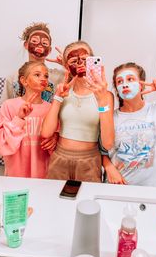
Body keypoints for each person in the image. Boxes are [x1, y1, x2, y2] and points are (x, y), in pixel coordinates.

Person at [41, 40, 114, 182]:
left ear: (93, 61)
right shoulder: (63, 90)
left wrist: (102, 101)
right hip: (59, 159)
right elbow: (46, 133)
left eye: (85, 59)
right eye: (74, 60)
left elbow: (108, 143)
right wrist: (57, 97)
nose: (80, 63)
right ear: (67, 66)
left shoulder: (105, 95)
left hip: (89, 162)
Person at [0, 61, 57, 178]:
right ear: (24, 80)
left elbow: (56, 137)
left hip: (43, 172)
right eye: (37, 75)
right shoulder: (9, 106)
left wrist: (55, 138)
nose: (43, 78)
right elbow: (0, 144)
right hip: (16, 172)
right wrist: (19, 118)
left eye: (46, 76)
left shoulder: (51, 108)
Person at [0, 22, 64, 104]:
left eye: (44, 43)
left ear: (49, 50)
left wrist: (67, 65)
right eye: (34, 41)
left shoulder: (58, 77)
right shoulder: (13, 78)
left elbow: (79, 84)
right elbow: (4, 109)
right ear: (26, 45)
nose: (40, 45)